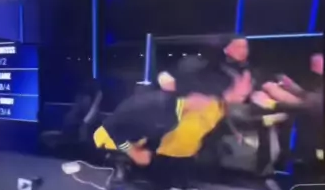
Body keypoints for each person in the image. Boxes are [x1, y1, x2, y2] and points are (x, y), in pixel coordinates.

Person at [93, 71, 252, 165]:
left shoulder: (176, 115)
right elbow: (112, 127)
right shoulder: (156, 104)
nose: (209, 105)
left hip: (140, 146)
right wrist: (132, 151)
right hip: (108, 143)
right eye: (208, 99)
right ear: (195, 94)